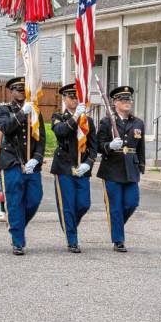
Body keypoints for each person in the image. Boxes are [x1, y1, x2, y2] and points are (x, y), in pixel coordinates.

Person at [0, 76, 45, 256]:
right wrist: (22, 113)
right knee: (15, 201)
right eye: (17, 89)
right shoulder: (3, 110)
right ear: (11, 91)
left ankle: (16, 225)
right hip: (12, 161)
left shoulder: (35, 111)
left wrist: (36, 158)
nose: (21, 92)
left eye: (24, 89)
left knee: (35, 198)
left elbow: (41, 139)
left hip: (31, 164)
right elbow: (6, 128)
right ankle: (17, 240)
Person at [96, 85, 145, 253]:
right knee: (115, 206)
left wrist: (142, 167)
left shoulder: (138, 122)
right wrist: (109, 145)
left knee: (132, 202)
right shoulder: (106, 122)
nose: (127, 102)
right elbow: (98, 146)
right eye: (123, 100)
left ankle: (116, 226)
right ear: (115, 102)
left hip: (131, 168)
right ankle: (118, 240)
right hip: (112, 168)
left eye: (129, 99)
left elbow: (141, 147)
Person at [50, 83, 98, 253]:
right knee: (68, 205)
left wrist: (89, 163)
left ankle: (69, 224)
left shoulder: (88, 121)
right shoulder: (58, 117)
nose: (75, 100)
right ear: (64, 99)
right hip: (64, 167)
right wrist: (74, 117)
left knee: (84, 204)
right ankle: (72, 239)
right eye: (71, 97)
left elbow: (93, 146)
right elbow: (61, 131)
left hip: (81, 168)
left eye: (77, 97)